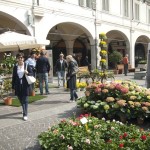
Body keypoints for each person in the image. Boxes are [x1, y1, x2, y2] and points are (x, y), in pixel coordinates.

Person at [12, 52, 33, 121]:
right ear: (17, 59)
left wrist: (28, 73)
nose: (20, 59)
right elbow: (14, 77)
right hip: (18, 86)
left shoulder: (27, 65)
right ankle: (24, 109)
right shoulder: (15, 67)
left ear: (23, 58)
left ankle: (25, 114)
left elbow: (32, 74)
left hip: (25, 85)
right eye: (19, 58)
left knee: (25, 100)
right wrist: (13, 87)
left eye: (21, 57)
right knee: (20, 99)